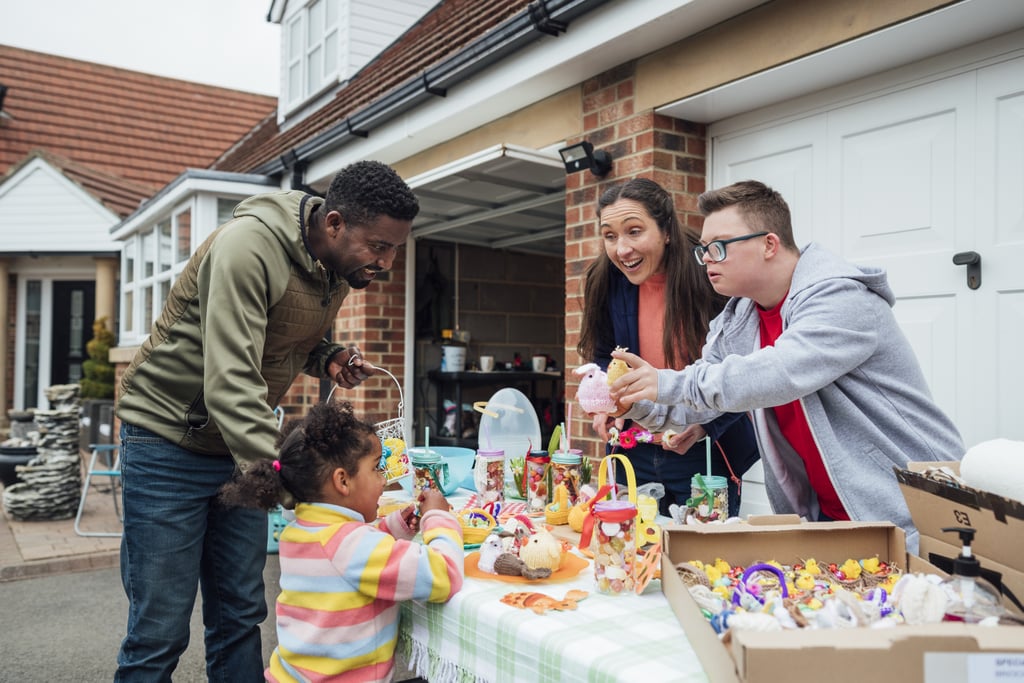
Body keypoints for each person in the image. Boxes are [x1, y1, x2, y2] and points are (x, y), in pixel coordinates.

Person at [113, 160, 420, 681]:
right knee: (160, 627)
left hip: (238, 448)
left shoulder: (336, 268)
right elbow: (231, 378)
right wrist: (298, 485)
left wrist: (326, 355)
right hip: (168, 440)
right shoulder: (246, 248)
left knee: (240, 613)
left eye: (394, 248)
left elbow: (281, 335)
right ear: (335, 223)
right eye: (379, 246)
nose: (387, 262)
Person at [608, 179, 964, 551]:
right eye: (704, 250)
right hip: (829, 523)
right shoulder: (737, 320)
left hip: (915, 513)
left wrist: (666, 382)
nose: (707, 258)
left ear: (768, 244)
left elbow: (781, 372)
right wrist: (637, 403)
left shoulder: (841, 296)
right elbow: (695, 403)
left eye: (718, 247)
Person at [218, 400, 464, 682]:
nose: (384, 480)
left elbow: (346, 562)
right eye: (376, 469)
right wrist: (437, 517)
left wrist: (394, 526)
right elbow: (444, 574)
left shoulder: (302, 530)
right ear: (342, 481)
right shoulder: (354, 546)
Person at [578, 177, 759, 517]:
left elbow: (745, 371)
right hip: (633, 446)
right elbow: (603, 355)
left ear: (666, 231)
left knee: (701, 558)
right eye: (610, 235)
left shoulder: (712, 278)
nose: (621, 248)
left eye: (634, 231)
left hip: (706, 448)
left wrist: (706, 426)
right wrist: (604, 402)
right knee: (631, 550)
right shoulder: (603, 280)